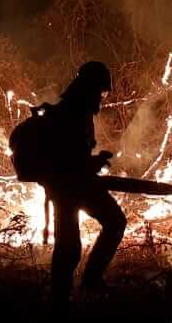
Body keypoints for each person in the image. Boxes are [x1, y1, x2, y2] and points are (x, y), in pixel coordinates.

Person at [42, 61, 127, 304]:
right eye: (101, 91)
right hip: (68, 187)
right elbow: (68, 160)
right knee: (70, 246)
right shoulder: (72, 113)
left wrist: (94, 162)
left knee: (108, 225)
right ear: (90, 87)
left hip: (74, 184)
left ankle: (82, 285)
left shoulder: (75, 109)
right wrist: (96, 162)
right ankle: (62, 299)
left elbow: (74, 156)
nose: (102, 97)